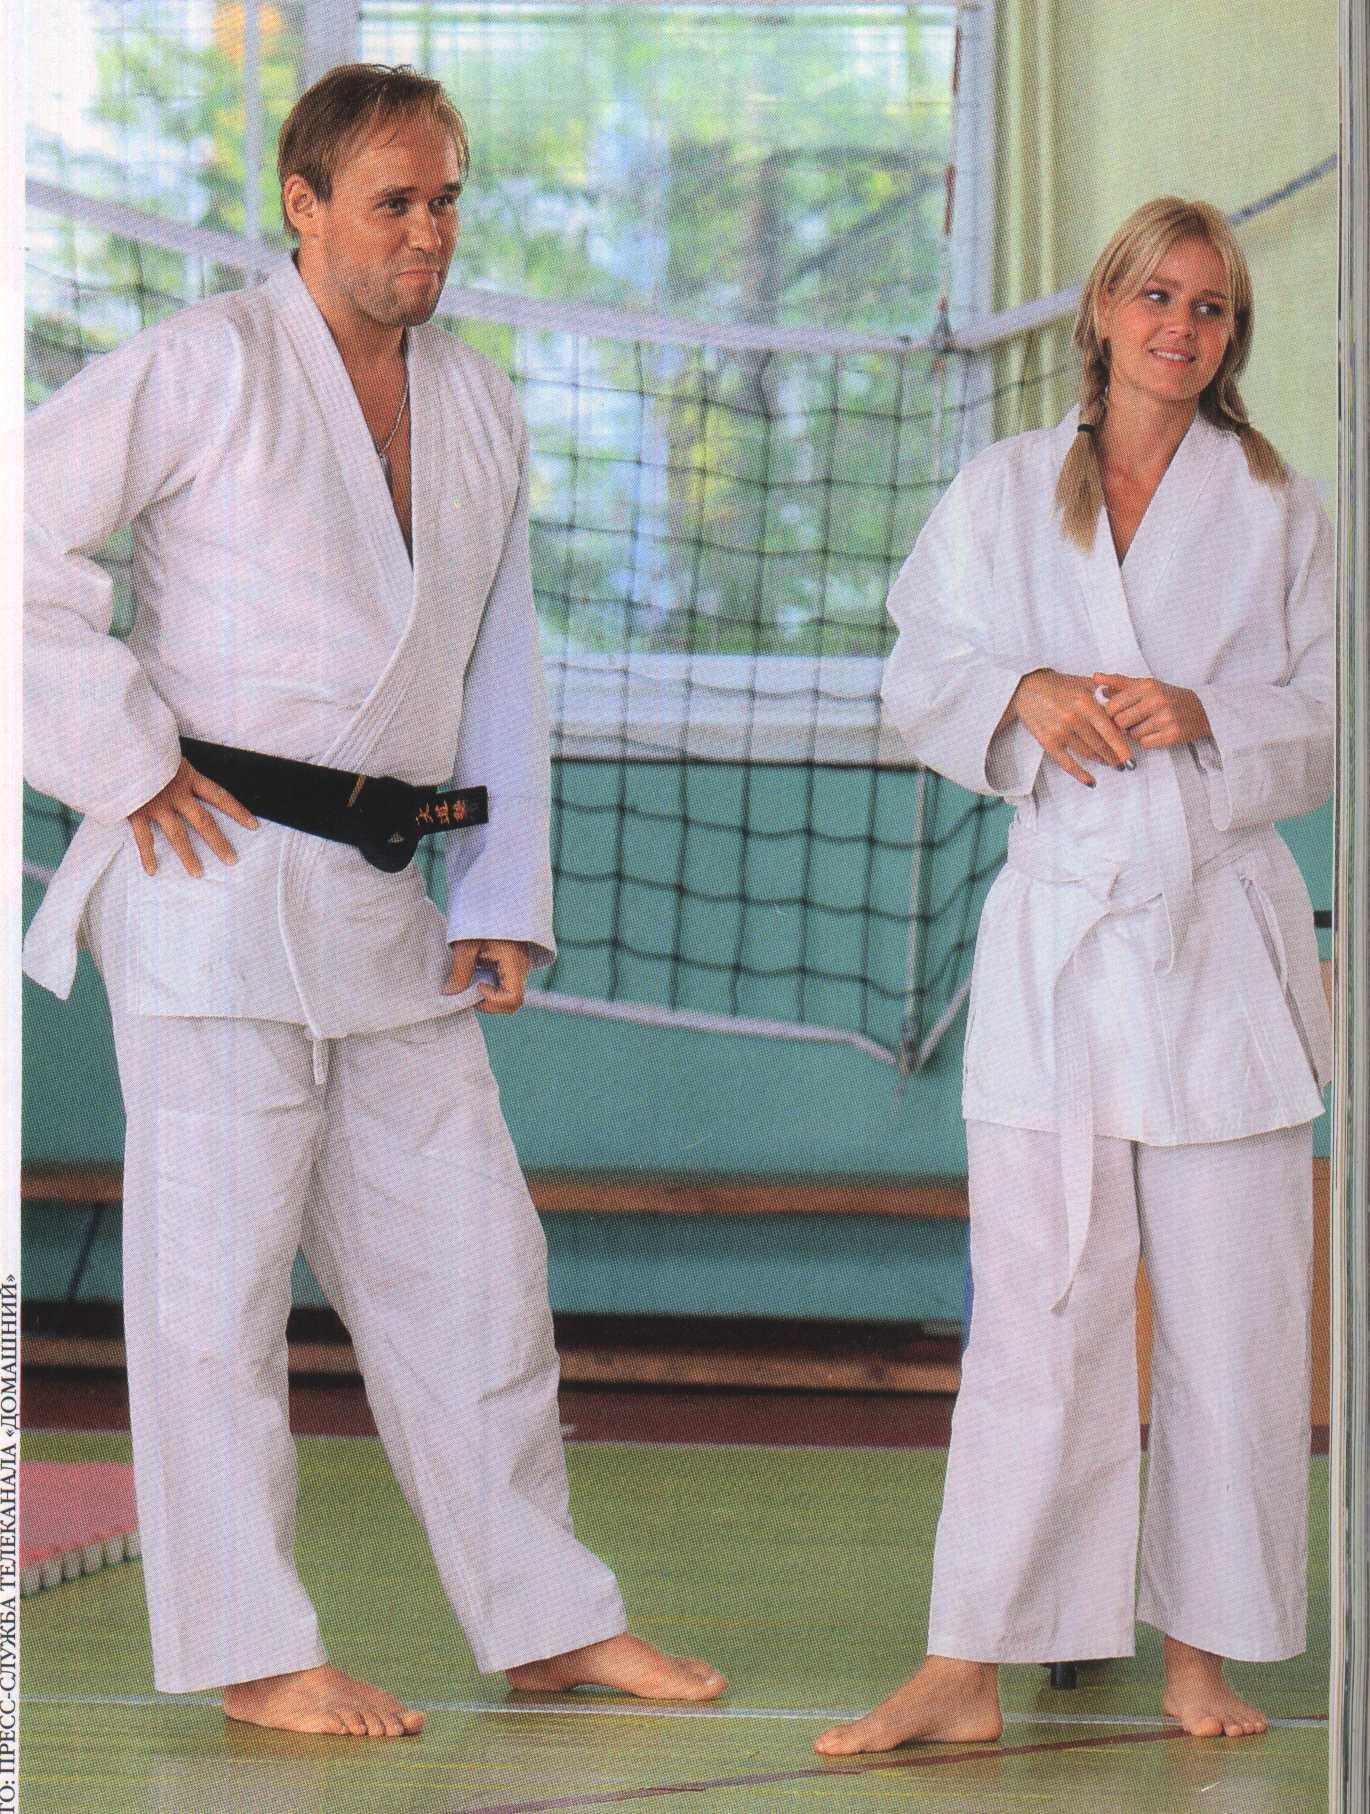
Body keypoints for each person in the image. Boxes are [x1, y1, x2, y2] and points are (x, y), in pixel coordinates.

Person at [23, 62, 725, 1738]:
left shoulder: (473, 399)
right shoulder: (203, 364)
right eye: (395, 200)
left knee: (476, 1269)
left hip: (388, 900)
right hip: (210, 885)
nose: (428, 231)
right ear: (304, 203)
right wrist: (120, 760)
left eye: (447, 199)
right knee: (213, 1294)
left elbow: (500, 654)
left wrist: (501, 885)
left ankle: (545, 1619)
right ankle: (254, 1648)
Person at [815, 196, 1332, 1755]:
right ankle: (966, 1659)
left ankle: (1202, 1651)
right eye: (1155, 296)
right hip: (1059, 938)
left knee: (1235, 1317)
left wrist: (1211, 713)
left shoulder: (1275, 506)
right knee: (1037, 1314)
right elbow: (918, 664)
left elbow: (1329, 713)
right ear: (1102, 308)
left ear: (1231, 336)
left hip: (1215, 939)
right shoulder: (999, 492)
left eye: (1210, 308)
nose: (1180, 327)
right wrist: (1023, 688)